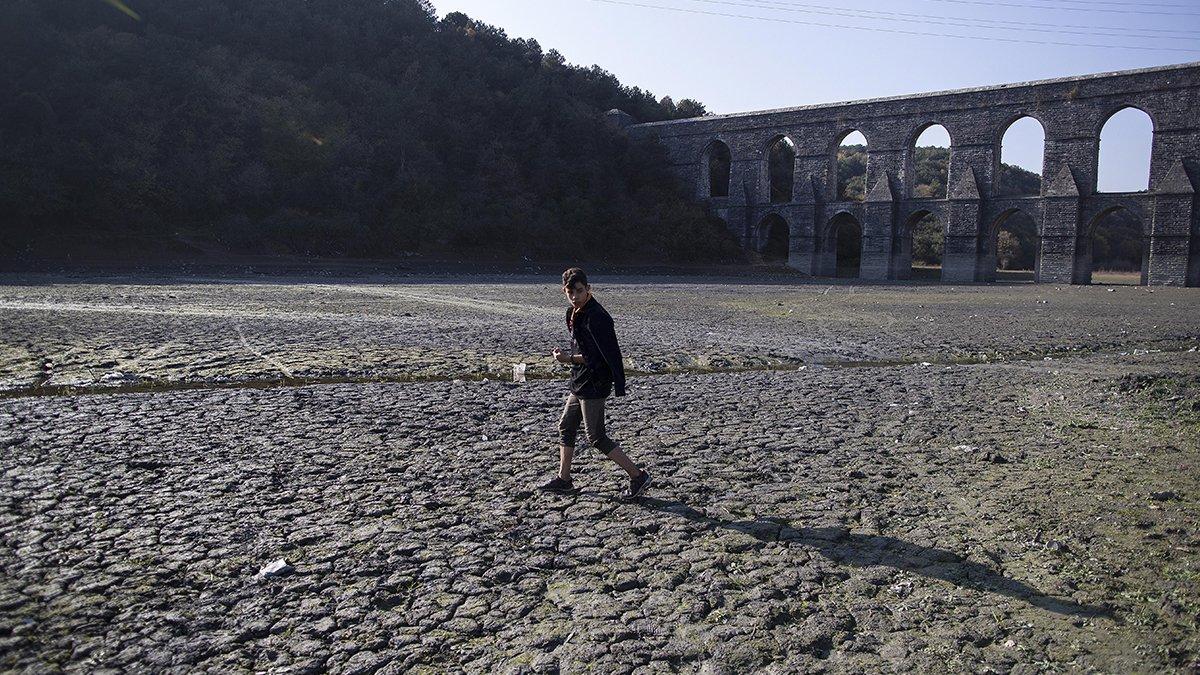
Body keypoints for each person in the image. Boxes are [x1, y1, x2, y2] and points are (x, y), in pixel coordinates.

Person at [538, 268, 651, 501]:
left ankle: (638, 476)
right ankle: (564, 479)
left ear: (588, 289)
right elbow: (584, 347)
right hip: (580, 380)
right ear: (564, 291)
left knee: (596, 437)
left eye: (579, 291)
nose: (575, 296)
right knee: (566, 426)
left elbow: (599, 356)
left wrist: (567, 359)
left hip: (595, 382)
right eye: (570, 292)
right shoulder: (573, 312)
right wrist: (570, 358)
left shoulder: (597, 316)